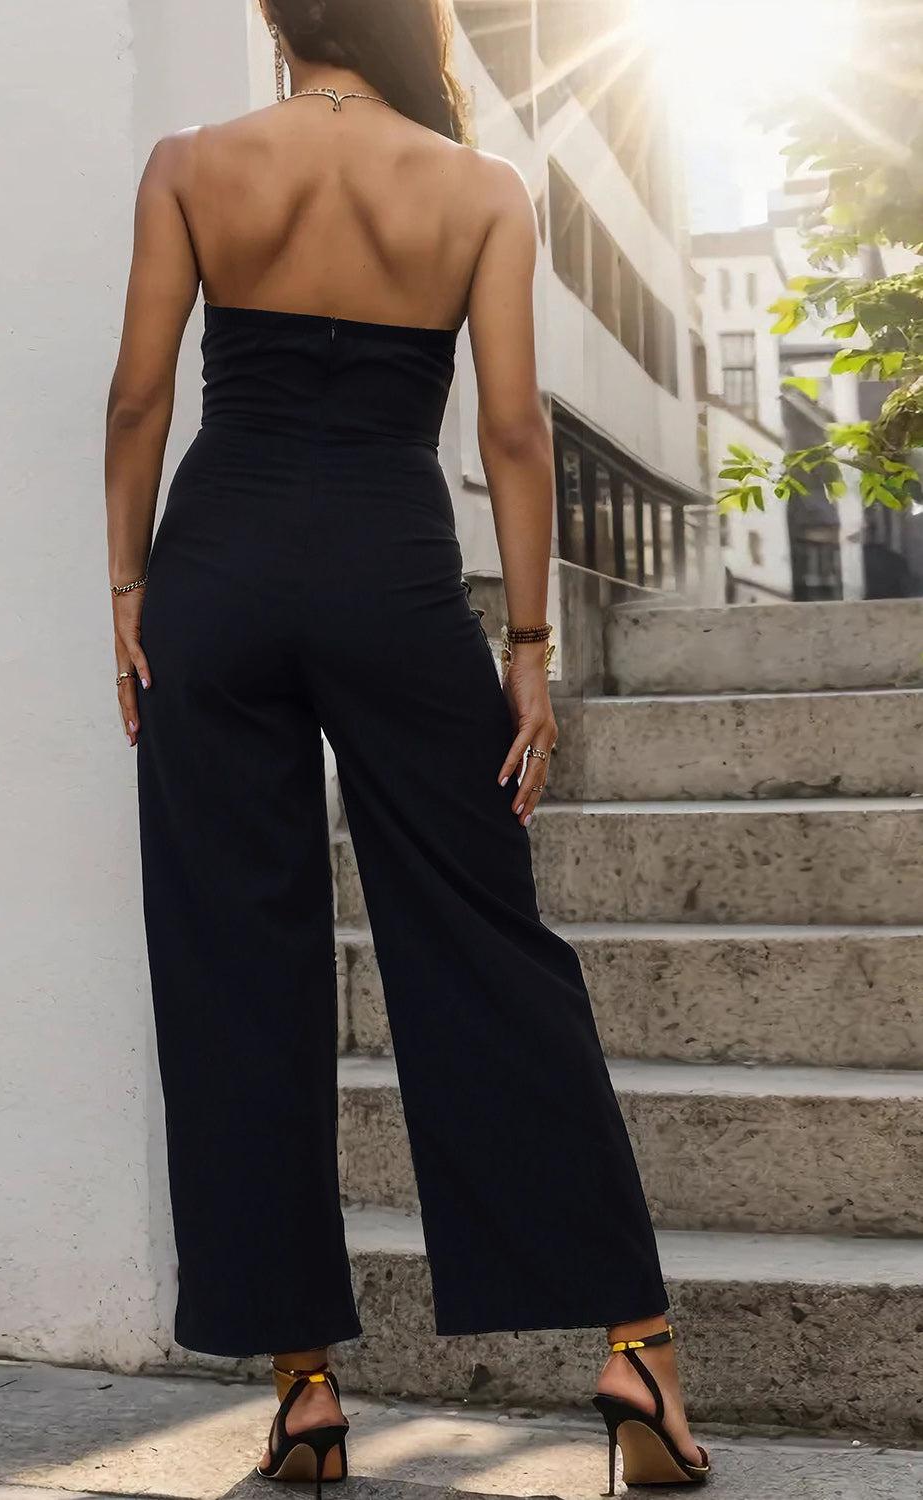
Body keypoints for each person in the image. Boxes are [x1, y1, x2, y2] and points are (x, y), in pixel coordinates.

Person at [104, 0, 708, 1491]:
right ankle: (634, 1346)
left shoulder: (190, 162)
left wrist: (125, 593)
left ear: (277, 14)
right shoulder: (477, 189)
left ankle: (305, 1386)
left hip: (217, 573)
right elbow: (513, 432)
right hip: (389, 579)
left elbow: (138, 397)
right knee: (485, 944)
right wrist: (529, 650)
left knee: (232, 964)